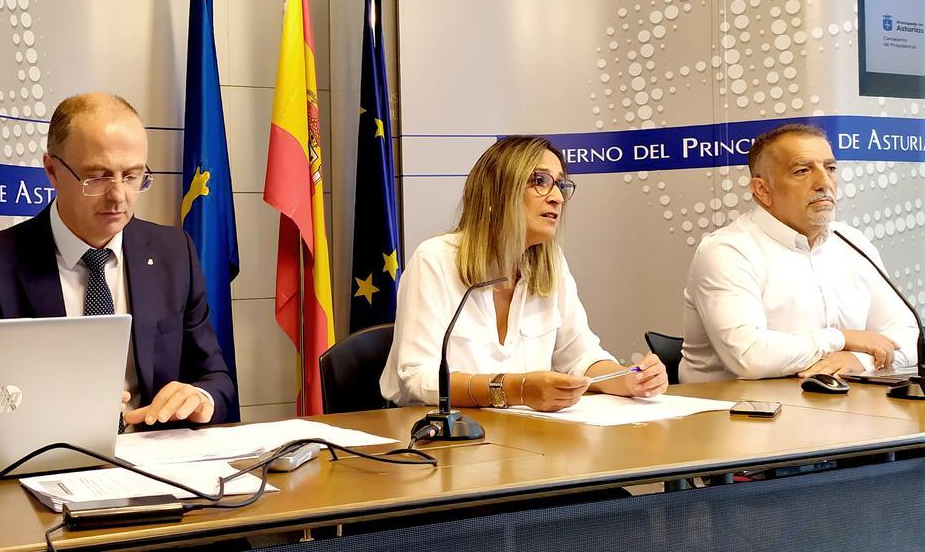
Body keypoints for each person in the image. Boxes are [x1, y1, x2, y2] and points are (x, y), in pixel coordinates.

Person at [0, 92, 236, 428]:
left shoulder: (173, 252)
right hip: (40, 464)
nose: (118, 196)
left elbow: (215, 378)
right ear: (52, 170)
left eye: (132, 176)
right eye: (97, 176)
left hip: (152, 462)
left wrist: (200, 397)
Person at [380, 135, 667, 411]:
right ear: (496, 192)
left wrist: (627, 378)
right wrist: (515, 390)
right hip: (441, 441)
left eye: (560, 185)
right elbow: (418, 378)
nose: (557, 198)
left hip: (524, 438)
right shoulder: (435, 260)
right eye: (540, 181)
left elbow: (579, 356)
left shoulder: (551, 262)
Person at [681, 123, 918, 383]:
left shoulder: (851, 242)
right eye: (802, 171)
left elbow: (908, 334)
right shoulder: (728, 251)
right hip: (738, 414)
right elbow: (749, 357)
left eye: (830, 168)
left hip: (841, 408)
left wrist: (860, 359)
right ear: (762, 190)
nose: (824, 182)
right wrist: (841, 338)